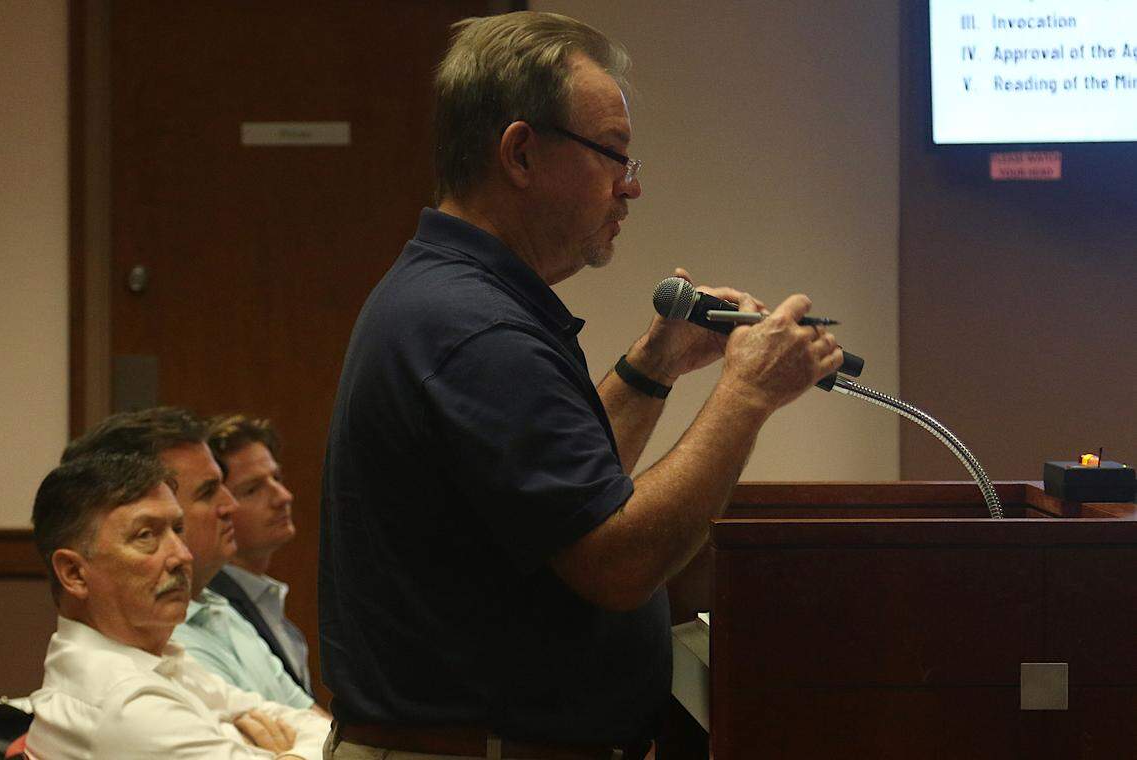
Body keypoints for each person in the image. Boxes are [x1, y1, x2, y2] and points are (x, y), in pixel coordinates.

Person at [319, 10, 842, 759]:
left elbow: (565, 501)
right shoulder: (477, 330)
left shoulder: (462, 299)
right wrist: (746, 394)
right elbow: (615, 561)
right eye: (613, 155)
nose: (630, 189)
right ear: (522, 154)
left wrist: (655, 365)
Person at [25, 452, 329, 759]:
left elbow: (320, 729)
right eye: (146, 536)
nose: (182, 556)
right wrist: (294, 754)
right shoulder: (124, 702)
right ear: (74, 573)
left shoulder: (154, 656)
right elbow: (330, 745)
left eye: (178, 530)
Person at [63, 407, 316, 710]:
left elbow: (312, 723)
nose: (230, 505)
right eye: (209, 492)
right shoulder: (160, 633)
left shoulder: (220, 608)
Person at [206, 414, 312, 695]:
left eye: (276, 478)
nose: (283, 496)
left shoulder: (268, 601)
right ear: (219, 506)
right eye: (253, 489)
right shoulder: (207, 610)